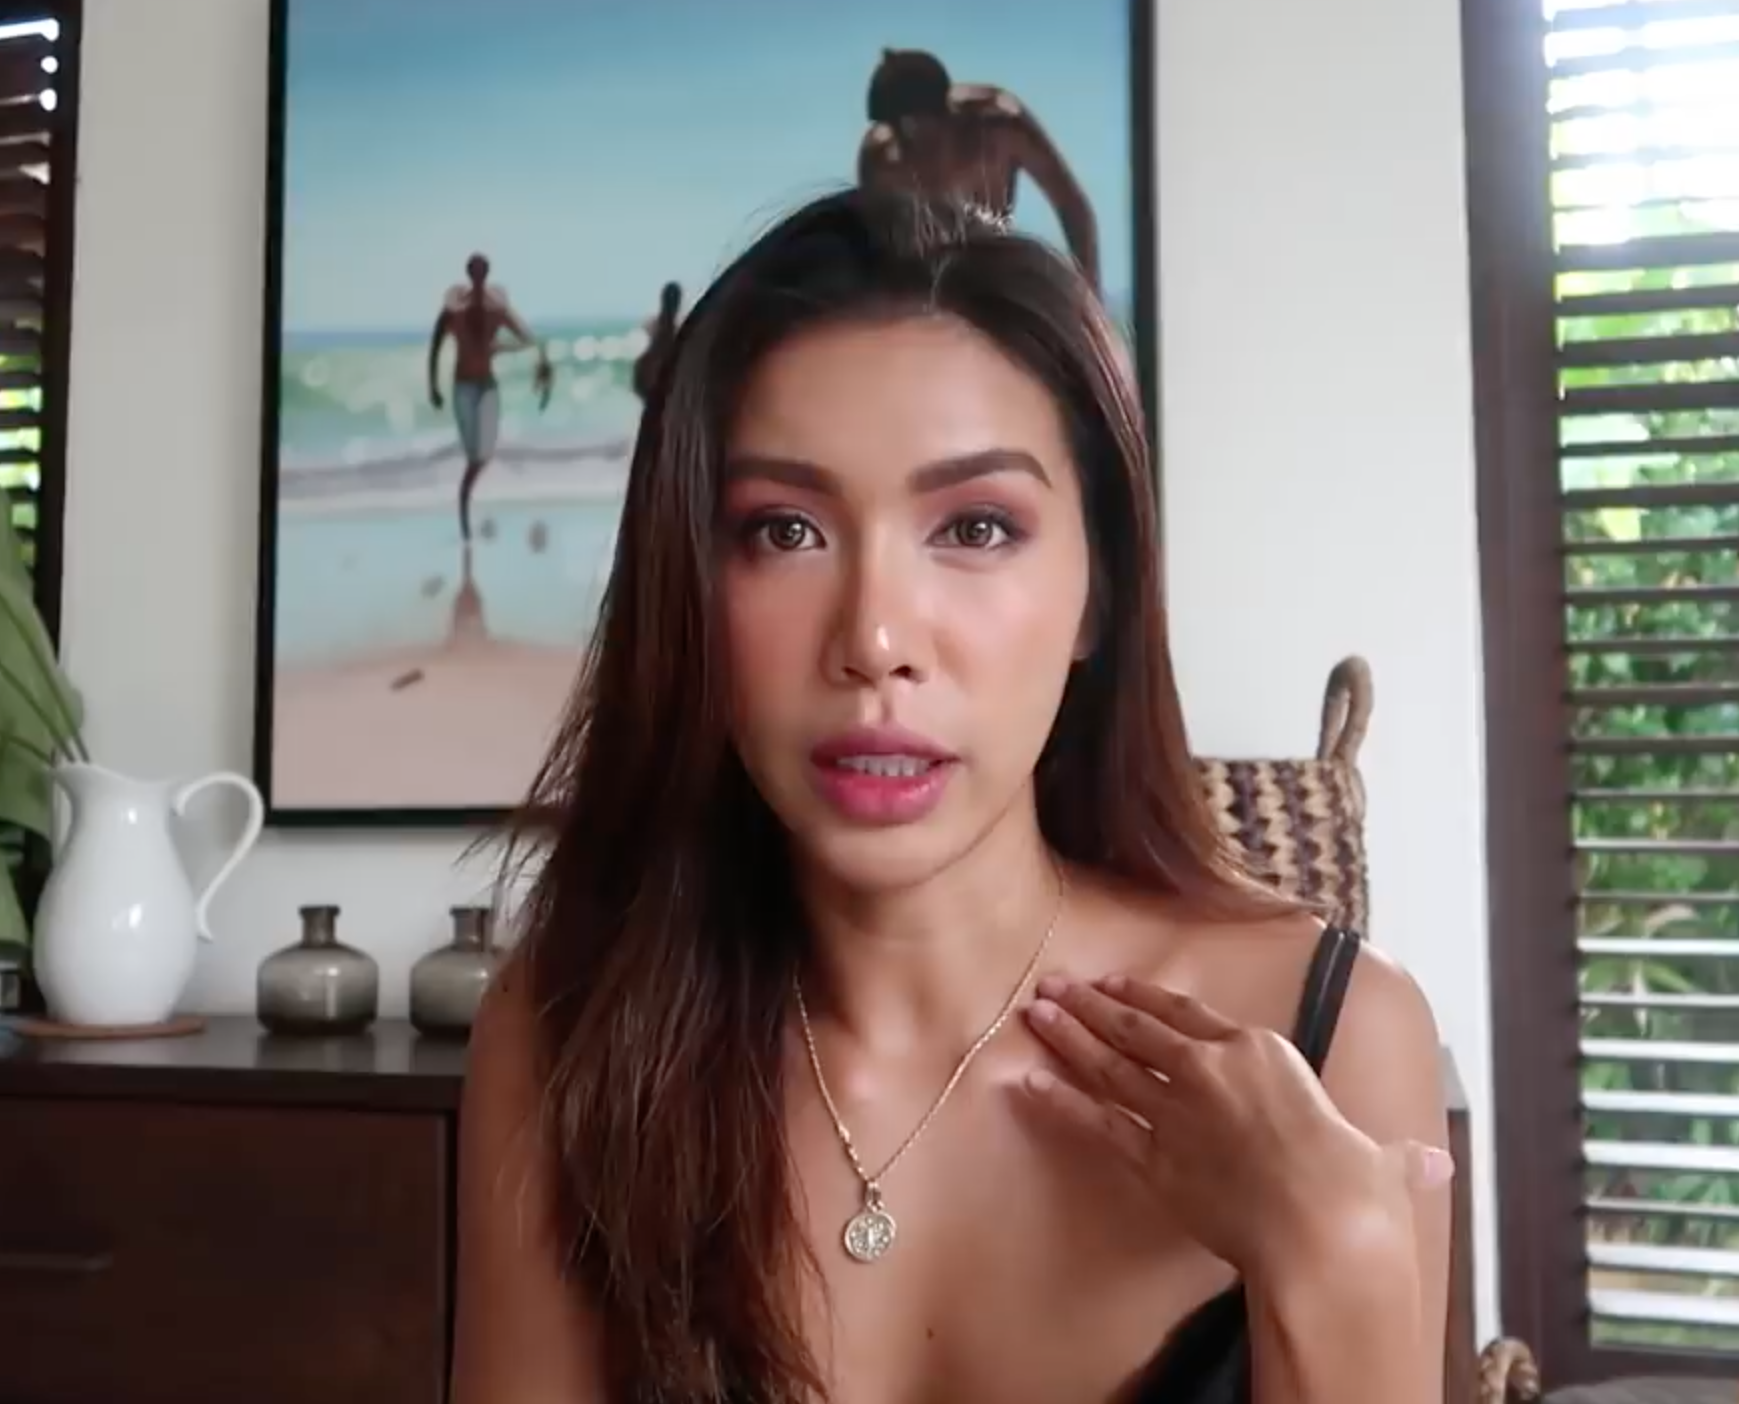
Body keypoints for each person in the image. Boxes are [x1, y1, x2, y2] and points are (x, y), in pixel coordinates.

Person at [452, 191, 1450, 1404]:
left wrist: (1336, 1262)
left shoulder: (1333, 1040)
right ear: (691, 591)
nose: (875, 639)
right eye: (783, 531)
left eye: (975, 526)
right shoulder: (568, 1036)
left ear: (1099, 593)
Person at [857, 48, 1103, 291]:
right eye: (899, 134)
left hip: (994, 275)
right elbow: (867, 249)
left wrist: (1088, 296)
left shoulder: (1001, 129)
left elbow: (1072, 207)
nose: (913, 150)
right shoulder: (882, 163)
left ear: (946, 115)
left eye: (918, 132)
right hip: (925, 287)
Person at [428, 253, 553, 541]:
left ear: (487, 273)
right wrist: (432, 386)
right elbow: (435, 345)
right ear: (469, 272)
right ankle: (464, 507)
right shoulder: (454, 309)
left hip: (487, 386)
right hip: (462, 387)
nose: (478, 275)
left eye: (482, 270)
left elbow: (526, 336)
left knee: (484, 454)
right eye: (474, 270)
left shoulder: (497, 309)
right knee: (474, 455)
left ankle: (464, 501)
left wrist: (539, 357)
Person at [633, 280, 684, 404]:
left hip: (650, 374)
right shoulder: (680, 328)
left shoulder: (651, 324)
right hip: (666, 379)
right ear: (679, 302)